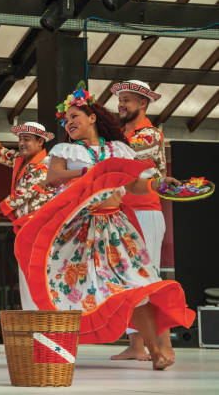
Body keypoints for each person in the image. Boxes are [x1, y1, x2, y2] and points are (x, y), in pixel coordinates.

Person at [15, 84, 194, 371]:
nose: (69, 123)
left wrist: (157, 183)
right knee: (67, 290)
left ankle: (155, 351)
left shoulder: (118, 149)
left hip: (116, 228)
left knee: (139, 287)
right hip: (79, 230)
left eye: (74, 116)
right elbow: (53, 177)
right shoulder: (67, 150)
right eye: (66, 120)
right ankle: (58, 353)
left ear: (93, 118)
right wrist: (88, 171)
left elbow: (133, 183)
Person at [108, 80, 173, 362]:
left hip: (145, 211)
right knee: (126, 280)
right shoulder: (123, 133)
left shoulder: (148, 134)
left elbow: (124, 163)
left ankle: (164, 343)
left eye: (127, 100)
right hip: (124, 213)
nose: (121, 104)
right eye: (120, 99)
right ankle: (136, 345)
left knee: (148, 279)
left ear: (143, 104)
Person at [0, 122, 55, 310]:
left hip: (39, 230)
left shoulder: (42, 168)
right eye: (20, 139)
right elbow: (6, 155)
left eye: (27, 139)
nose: (21, 143)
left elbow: (17, 199)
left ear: (40, 141)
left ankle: (41, 316)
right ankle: (33, 318)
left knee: (36, 275)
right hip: (26, 228)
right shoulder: (23, 161)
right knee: (27, 274)